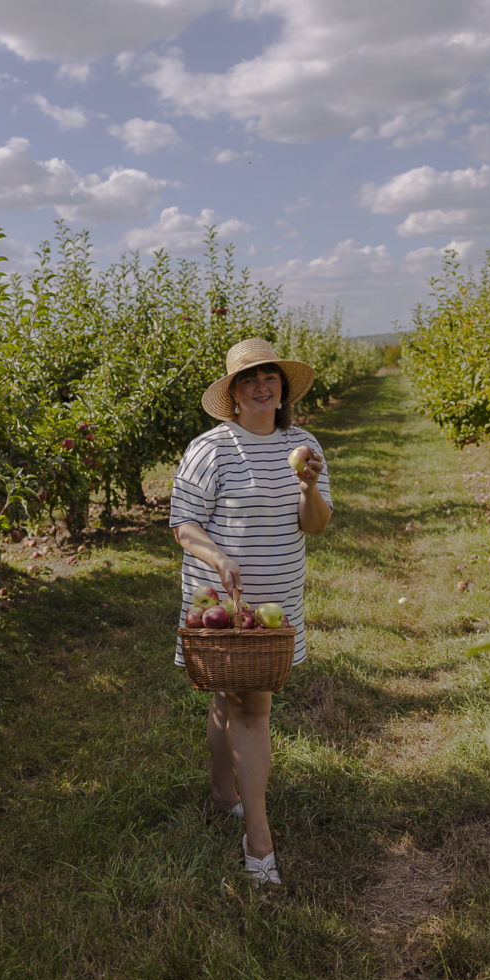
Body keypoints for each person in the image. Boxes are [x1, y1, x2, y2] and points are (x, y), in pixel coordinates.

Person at [169, 337, 332, 888]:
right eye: (249, 379)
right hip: (221, 600)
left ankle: (222, 793)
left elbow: (315, 525)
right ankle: (258, 838)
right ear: (234, 394)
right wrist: (218, 555)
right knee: (251, 707)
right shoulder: (211, 449)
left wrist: (308, 489)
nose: (262, 386)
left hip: (277, 602)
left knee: (232, 695)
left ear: (282, 388)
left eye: (270, 377)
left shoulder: (304, 446)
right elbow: (183, 525)